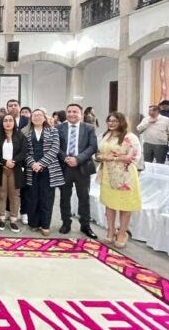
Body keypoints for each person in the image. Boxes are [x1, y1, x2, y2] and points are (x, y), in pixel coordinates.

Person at [96, 112, 142, 248]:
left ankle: (122, 233)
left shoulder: (130, 137)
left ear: (121, 122)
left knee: (124, 205)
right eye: (109, 121)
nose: (111, 123)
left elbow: (134, 157)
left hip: (125, 175)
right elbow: (99, 153)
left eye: (115, 121)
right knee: (109, 204)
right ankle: (111, 231)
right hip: (107, 173)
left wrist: (113, 158)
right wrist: (99, 157)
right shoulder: (106, 136)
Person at [57, 103, 99, 239]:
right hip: (65, 167)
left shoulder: (89, 128)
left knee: (84, 198)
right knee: (64, 197)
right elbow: (56, 146)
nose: (71, 114)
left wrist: (78, 159)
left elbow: (92, 147)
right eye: (69, 111)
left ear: (81, 114)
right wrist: (66, 158)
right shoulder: (59, 128)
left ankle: (85, 225)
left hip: (83, 167)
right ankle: (66, 223)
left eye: (75, 111)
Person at [23, 109, 64, 236]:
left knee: (47, 198)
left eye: (39, 115)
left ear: (44, 118)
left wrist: (41, 164)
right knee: (32, 197)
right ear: (31, 118)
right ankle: (34, 223)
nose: (37, 117)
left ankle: (45, 225)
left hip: (49, 169)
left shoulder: (53, 131)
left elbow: (55, 148)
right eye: (34, 115)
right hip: (32, 169)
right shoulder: (25, 132)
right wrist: (33, 164)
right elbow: (24, 151)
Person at [0, 114, 26, 233]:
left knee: (14, 195)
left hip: (15, 169)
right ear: (2, 123)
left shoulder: (20, 136)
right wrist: (4, 162)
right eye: (5, 120)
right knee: (1, 194)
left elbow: (23, 152)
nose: (8, 123)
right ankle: (1, 218)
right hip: (1, 169)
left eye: (10, 120)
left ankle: (13, 220)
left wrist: (14, 161)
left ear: (14, 122)